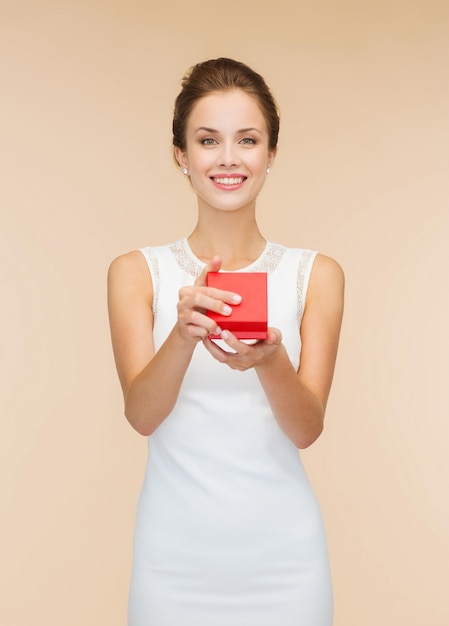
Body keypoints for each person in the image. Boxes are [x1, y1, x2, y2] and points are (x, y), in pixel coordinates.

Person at [107, 57, 344, 626]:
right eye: (208, 140)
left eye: (248, 140)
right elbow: (142, 416)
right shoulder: (138, 272)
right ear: (181, 156)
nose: (229, 158)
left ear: (271, 155)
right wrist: (182, 338)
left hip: (287, 561)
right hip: (173, 561)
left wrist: (271, 362)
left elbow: (307, 429)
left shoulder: (317, 274)